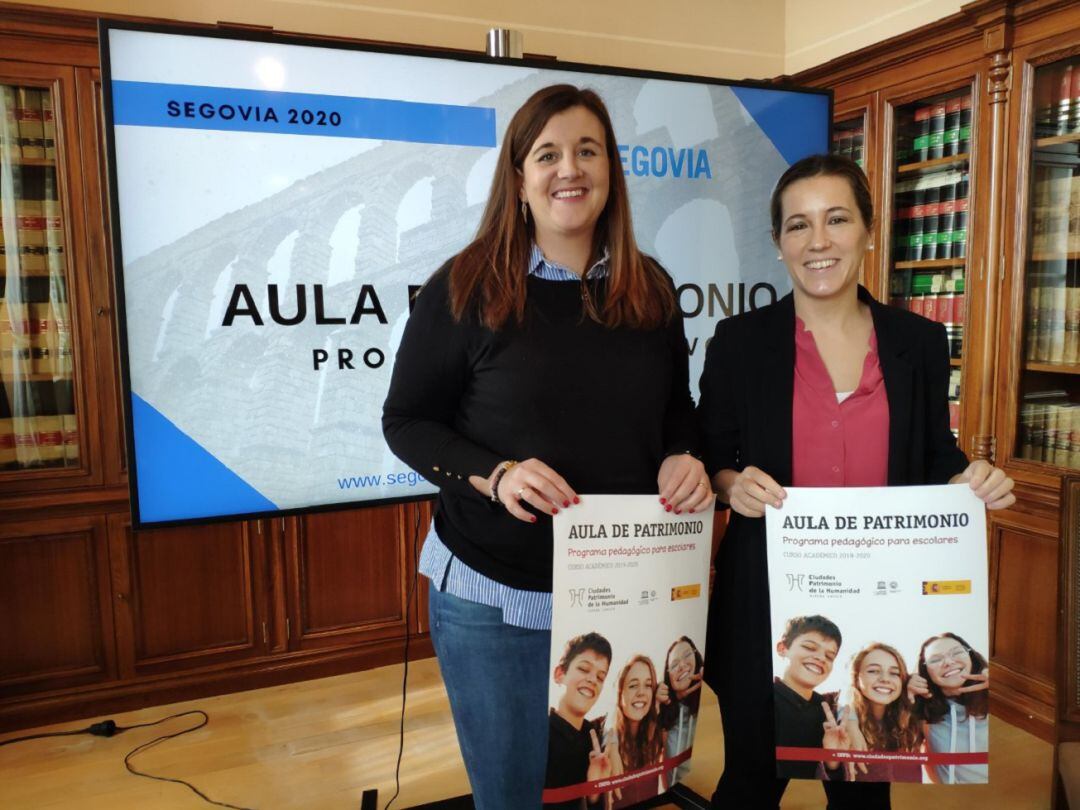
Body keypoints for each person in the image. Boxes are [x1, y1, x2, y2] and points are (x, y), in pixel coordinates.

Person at [382, 83, 712, 810]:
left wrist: (683, 453)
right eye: (549, 153)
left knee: (610, 789)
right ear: (520, 178)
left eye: (587, 151)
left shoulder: (650, 290)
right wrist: (493, 474)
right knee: (511, 797)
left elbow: (676, 412)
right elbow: (406, 421)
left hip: (623, 596)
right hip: (495, 598)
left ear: (610, 172)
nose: (571, 168)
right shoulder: (464, 287)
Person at [696, 153, 1016, 809]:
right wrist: (733, 486)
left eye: (836, 219)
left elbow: (934, 454)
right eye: (798, 225)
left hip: (884, 606)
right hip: (767, 610)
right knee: (752, 783)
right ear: (779, 243)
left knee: (864, 794)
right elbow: (707, 456)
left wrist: (968, 476)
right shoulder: (739, 343)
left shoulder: (919, 344)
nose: (819, 241)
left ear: (869, 230)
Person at [830, 642, 923, 783]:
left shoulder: (912, 717)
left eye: (894, 673)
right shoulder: (834, 713)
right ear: (855, 677)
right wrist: (850, 723)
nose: (885, 679)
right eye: (873, 671)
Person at [908, 632, 989, 784]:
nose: (948, 662)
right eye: (935, 659)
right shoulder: (925, 712)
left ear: (971, 656)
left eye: (957, 652)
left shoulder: (995, 699)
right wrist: (904, 690)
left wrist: (1005, 687)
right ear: (925, 672)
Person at [547, 633, 614, 809]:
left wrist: (594, 792)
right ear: (560, 674)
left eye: (601, 677)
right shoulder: (541, 733)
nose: (592, 680)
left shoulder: (594, 738)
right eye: (584, 669)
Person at [771, 616, 842, 781]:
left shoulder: (828, 709)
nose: (821, 658)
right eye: (810, 647)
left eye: (830, 656)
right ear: (783, 648)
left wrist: (833, 763)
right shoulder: (766, 700)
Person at [603, 654, 665, 807]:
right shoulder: (607, 737)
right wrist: (610, 739)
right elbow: (603, 726)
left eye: (648, 685)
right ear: (620, 693)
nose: (642, 692)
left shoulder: (656, 735)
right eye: (633, 685)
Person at [656, 635, 704, 787]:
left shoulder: (707, 702)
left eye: (687, 655)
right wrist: (655, 705)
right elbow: (662, 760)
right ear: (668, 676)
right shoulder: (664, 711)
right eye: (674, 664)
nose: (682, 665)